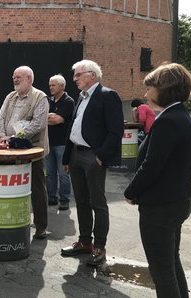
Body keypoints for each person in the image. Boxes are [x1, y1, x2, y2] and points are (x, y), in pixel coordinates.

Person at [124, 63, 191, 298]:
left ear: (165, 89)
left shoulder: (168, 120)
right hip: (179, 198)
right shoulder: (183, 115)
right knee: (172, 265)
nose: (146, 94)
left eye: (150, 87)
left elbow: (151, 165)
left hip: (161, 204)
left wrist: (130, 192)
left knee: (162, 273)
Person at [61, 60, 124, 266]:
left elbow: (116, 131)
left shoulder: (108, 96)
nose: (74, 79)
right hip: (76, 154)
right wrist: (67, 157)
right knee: (81, 200)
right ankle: (85, 242)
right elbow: (73, 127)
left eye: (78, 75)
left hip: (93, 156)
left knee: (98, 202)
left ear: (92, 76)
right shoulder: (81, 97)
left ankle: (99, 247)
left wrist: (101, 156)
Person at [0, 66, 49, 240]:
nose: (15, 80)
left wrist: (14, 137)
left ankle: (41, 226)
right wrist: (2, 136)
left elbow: (38, 124)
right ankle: (11, 221)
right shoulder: (10, 96)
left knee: (37, 187)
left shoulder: (40, 97)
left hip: (32, 150)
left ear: (29, 79)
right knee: (11, 186)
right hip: (9, 148)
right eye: (13, 77)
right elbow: (0, 118)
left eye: (18, 77)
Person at [45, 74, 74, 211]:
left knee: (63, 173)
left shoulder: (68, 101)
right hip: (48, 142)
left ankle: (64, 199)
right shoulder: (49, 100)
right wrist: (49, 117)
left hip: (62, 143)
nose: (50, 87)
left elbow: (58, 120)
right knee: (50, 172)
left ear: (62, 86)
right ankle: (51, 197)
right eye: (50, 85)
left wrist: (50, 117)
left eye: (53, 85)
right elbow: (41, 117)